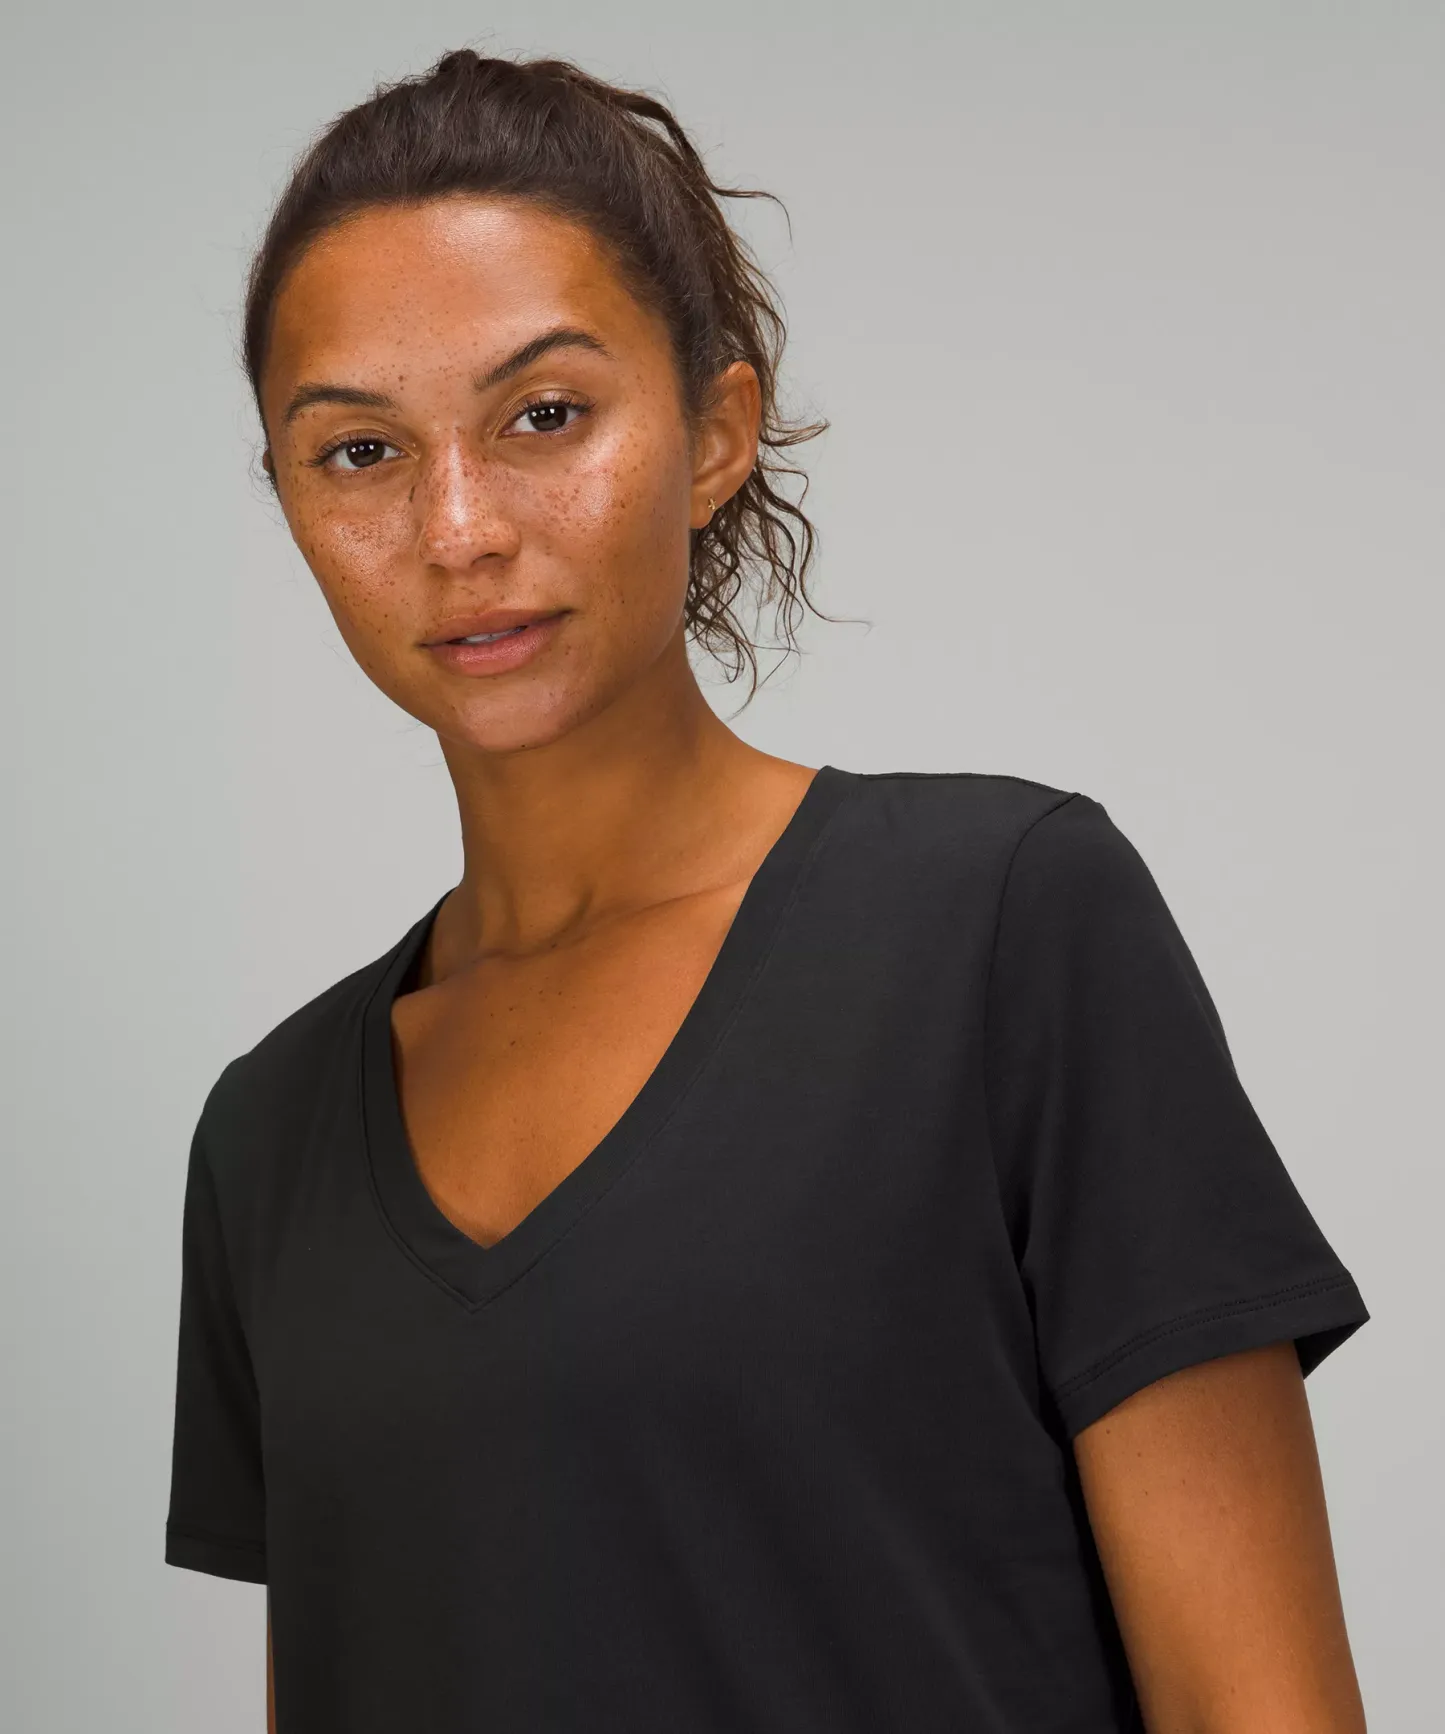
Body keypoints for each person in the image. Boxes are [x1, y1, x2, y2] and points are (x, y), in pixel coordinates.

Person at [165, 50, 1370, 1734]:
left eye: (543, 416)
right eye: (359, 449)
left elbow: (1265, 1706)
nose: (457, 529)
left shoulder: (1005, 933)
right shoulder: (270, 1138)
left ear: (718, 430)